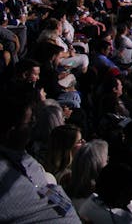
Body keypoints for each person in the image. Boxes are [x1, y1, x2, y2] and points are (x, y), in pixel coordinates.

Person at [0, 94, 81, 222]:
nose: (34, 125)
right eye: (30, 122)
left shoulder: (27, 158)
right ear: (11, 131)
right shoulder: (5, 177)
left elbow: (44, 189)